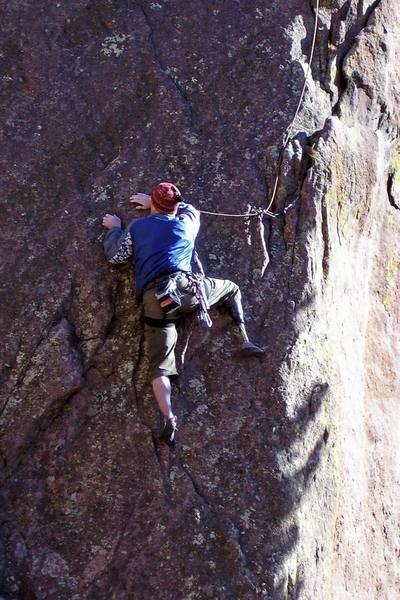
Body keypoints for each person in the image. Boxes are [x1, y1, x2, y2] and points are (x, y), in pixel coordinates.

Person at [102, 182, 264, 445]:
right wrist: (160, 204)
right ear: (176, 207)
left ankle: (169, 419)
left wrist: (115, 230)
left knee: (160, 368)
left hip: (157, 300)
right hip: (190, 292)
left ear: (153, 205)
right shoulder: (188, 222)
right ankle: (243, 337)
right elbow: (192, 209)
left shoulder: (138, 227)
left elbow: (116, 257)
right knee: (231, 289)